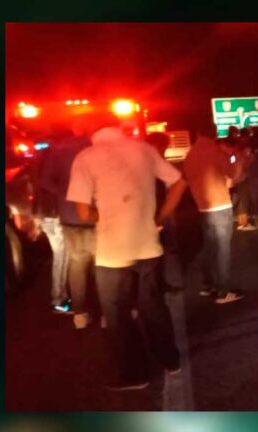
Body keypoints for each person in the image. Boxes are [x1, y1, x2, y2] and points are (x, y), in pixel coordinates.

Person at [67, 119, 187, 390]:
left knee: (118, 314)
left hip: (112, 250)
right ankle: (171, 361)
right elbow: (179, 183)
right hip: (147, 243)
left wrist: (105, 214)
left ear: (90, 131)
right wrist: (160, 216)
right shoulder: (143, 149)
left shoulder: (86, 157)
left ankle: (135, 375)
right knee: (153, 305)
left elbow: (83, 212)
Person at [39, 115, 98, 328]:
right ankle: (105, 312)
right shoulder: (95, 147)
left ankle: (80, 314)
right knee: (101, 265)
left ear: (74, 128)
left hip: (68, 216)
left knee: (76, 264)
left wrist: (65, 194)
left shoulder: (57, 149)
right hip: (95, 214)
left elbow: (45, 181)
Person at [184, 123, 244, 304]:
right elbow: (233, 174)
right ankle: (223, 292)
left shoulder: (190, 154)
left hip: (202, 207)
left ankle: (207, 286)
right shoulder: (216, 152)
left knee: (209, 248)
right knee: (222, 250)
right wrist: (236, 157)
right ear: (215, 132)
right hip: (220, 206)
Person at [146, 132, 184, 292]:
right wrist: (163, 214)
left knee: (157, 252)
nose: (165, 150)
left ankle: (159, 285)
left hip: (152, 212)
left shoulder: (145, 160)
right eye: (165, 147)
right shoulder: (152, 161)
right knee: (154, 253)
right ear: (157, 145)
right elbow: (179, 182)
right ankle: (154, 288)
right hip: (152, 213)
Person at [36, 143, 70, 314]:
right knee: (62, 257)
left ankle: (61, 296)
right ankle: (58, 299)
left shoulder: (38, 171)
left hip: (46, 218)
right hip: (55, 218)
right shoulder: (53, 175)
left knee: (61, 257)